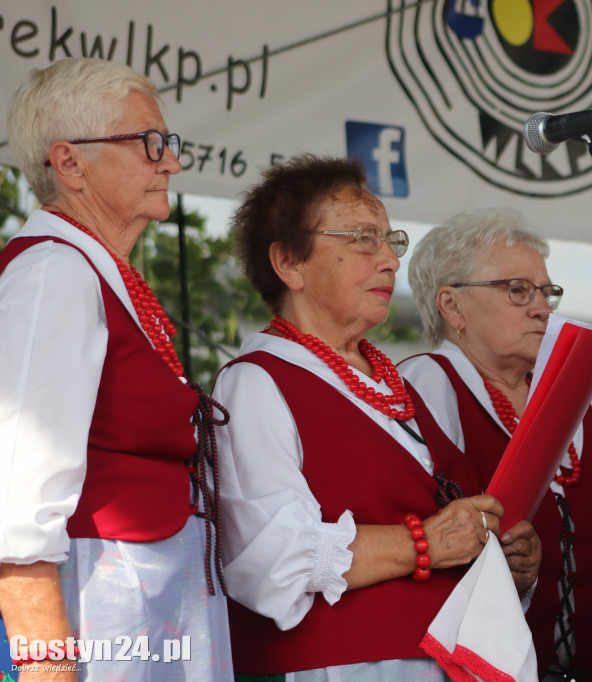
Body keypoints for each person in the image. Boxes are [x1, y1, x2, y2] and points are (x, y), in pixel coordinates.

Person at [213, 155, 541, 680]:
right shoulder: (256, 381)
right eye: (364, 238)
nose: (389, 260)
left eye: (392, 241)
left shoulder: (393, 384)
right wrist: (426, 542)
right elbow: (270, 558)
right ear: (289, 263)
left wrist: (505, 556)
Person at [0, 58, 231, 680]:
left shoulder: (93, 269)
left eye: (169, 143)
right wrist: (47, 664)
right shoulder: (54, 271)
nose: (171, 162)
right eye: (149, 143)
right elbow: (15, 499)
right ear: (70, 162)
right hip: (98, 600)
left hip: (138, 597)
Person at [399, 207, 592, 682]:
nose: (541, 307)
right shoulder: (425, 386)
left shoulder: (576, 398)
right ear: (452, 306)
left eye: (546, 292)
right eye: (517, 290)